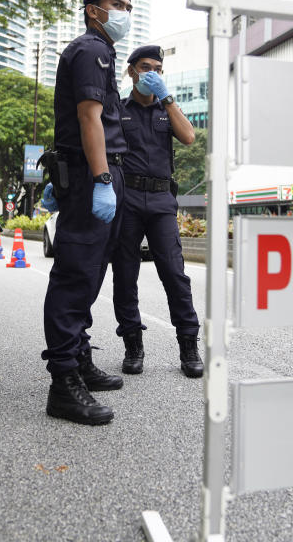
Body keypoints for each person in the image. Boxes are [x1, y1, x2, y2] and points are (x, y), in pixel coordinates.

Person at [40, 0, 132, 425]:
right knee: (76, 275)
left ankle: (77, 359)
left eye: (128, 6)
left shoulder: (103, 52)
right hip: (90, 171)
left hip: (100, 168)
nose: (124, 13)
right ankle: (63, 383)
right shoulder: (90, 50)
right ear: (94, 11)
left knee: (92, 271)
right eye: (117, 5)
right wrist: (100, 178)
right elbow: (88, 117)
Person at [111, 45, 202, 378]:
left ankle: (188, 347)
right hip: (129, 199)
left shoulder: (167, 110)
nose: (152, 74)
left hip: (162, 201)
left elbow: (190, 137)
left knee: (175, 274)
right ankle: (133, 346)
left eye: (158, 69)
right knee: (125, 274)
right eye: (145, 67)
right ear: (131, 71)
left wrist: (167, 98)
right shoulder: (118, 110)